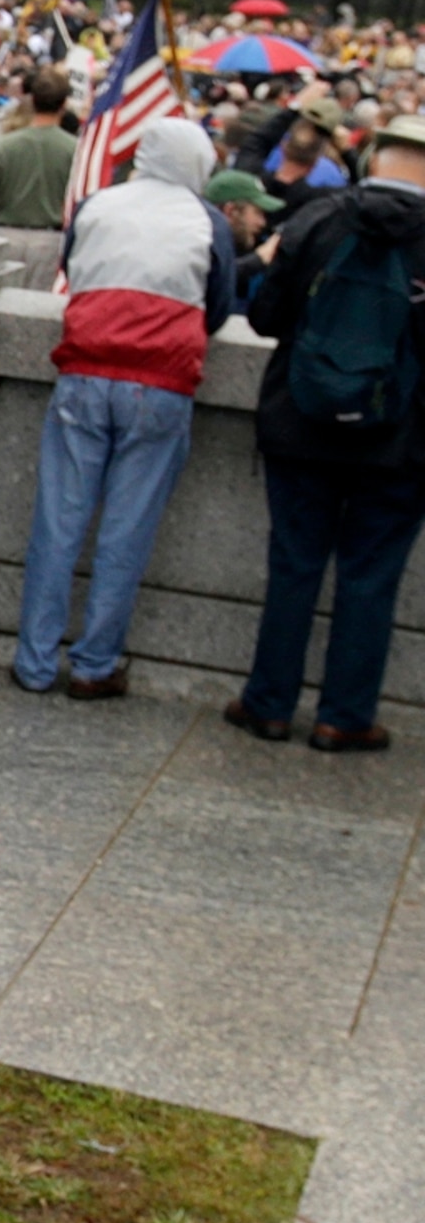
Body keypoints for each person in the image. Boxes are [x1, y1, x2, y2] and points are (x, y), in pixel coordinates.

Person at [10, 118, 233, 699]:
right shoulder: (207, 221)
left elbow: (71, 267)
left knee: (58, 524)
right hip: (160, 385)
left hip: (83, 374)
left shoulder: (97, 205)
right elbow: (219, 305)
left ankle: (34, 663)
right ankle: (94, 665)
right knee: (126, 532)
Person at [225, 114, 425, 750]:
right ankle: (344, 716)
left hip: (301, 424)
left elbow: (265, 315)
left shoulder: (319, 217)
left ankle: (269, 704)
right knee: (371, 578)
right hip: (399, 441)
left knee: (294, 566)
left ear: (375, 159)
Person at [0, 65, 79, 231]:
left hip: (6, 234)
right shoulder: (75, 150)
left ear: (32, 100)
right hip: (52, 237)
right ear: (64, 105)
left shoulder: (4, 146)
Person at [235, 91, 353, 212]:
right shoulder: (323, 197)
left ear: (284, 145)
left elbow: (257, 142)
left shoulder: (250, 179)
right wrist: (347, 151)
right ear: (315, 161)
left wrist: (294, 109)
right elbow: (361, 193)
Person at [208, 166, 285, 303]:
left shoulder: (236, 249)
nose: (262, 223)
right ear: (230, 211)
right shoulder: (198, 244)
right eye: (257, 213)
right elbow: (209, 279)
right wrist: (258, 260)